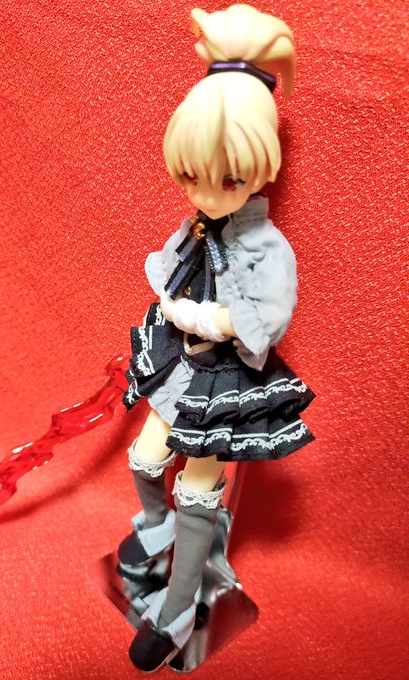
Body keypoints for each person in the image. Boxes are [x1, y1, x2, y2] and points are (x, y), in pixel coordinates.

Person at [119, 5, 315, 672]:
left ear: (260, 167)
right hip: (181, 363)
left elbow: (269, 314)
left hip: (227, 378)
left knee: (197, 488)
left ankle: (176, 611)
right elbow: (171, 264)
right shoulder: (200, 223)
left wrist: (208, 319)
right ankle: (158, 533)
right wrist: (173, 307)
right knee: (145, 459)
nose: (204, 194)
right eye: (189, 177)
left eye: (226, 179)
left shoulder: (266, 246)